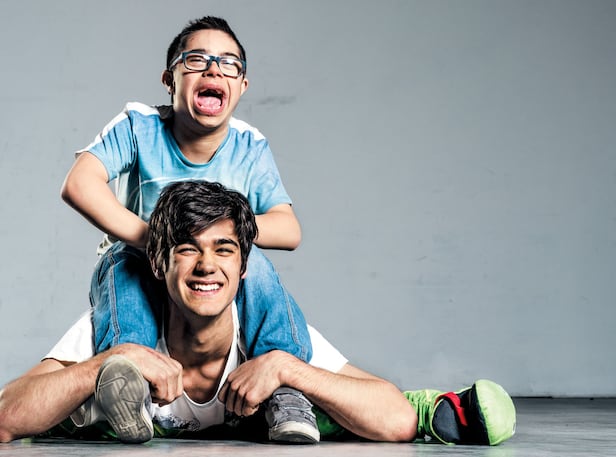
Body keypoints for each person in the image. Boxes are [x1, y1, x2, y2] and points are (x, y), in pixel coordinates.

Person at [0, 181, 516, 446]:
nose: (206, 266)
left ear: (244, 267)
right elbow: (5, 416)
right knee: (72, 413)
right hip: (115, 390)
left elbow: (396, 417)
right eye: (187, 249)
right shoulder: (121, 322)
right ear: (158, 264)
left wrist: (289, 369)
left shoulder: (266, 328)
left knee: (331, 410)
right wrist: (104, 363)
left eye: (224, 250)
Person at [60, 16, 317, 442]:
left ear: (242, 86)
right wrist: (154, 239)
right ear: (170, 79)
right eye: (196, 60)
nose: (214, 69)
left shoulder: (249, 144)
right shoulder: (139, 125)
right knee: (124, 265)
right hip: (143, 260)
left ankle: (285, 388)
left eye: (229, 63)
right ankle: (128, 382)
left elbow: (288, 229)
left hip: (203, 282)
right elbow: (79, 184)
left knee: (253, 261)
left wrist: (224, 235)